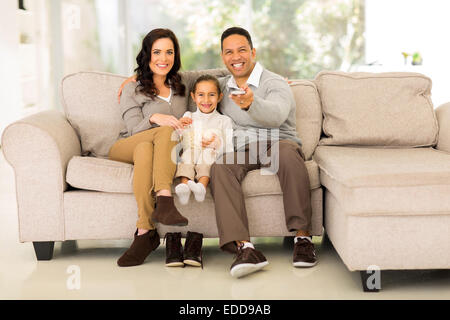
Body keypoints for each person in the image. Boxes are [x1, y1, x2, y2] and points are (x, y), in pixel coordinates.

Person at [110, 28, 226, 268]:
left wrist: (262, 81)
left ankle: (145, 233)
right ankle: (164, 199)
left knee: (146, 149)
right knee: (161, 131)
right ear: (147, 55)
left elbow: (221, 76)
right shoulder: (133, 89)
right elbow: (132, 130)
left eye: (169, 52)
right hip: (125, 145)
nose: (163, 58)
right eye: (157, 52)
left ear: (176, 55)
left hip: (150, 150)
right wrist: (154, 119)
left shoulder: (183, 81)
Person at [210, 27, 316, 278]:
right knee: (220, 168)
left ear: (253, 52)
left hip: (278, 141)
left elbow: (277, 114)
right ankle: (245, 248)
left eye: (242, 50)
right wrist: (139, 76)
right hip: (244, 147)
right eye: (229, 52)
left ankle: (303, 239)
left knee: (289, 156)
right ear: (223, 57)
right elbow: (189, 79)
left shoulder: (274, 82)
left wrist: (251, 103)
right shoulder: (223, 86)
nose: (236, 57)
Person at [174, 75, 234, 205]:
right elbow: (180, 141)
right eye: (201, 95)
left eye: (211, 94)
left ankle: (201, 186)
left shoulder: (224, 121)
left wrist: (217, 144)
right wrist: (179, 127)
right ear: (193, 97)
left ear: (219, 97)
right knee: (187, 155)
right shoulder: (188, 116)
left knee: (207, 155)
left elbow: (229, 149)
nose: (206, 100)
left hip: (210, 154)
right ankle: (184, 186)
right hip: (191, 151)